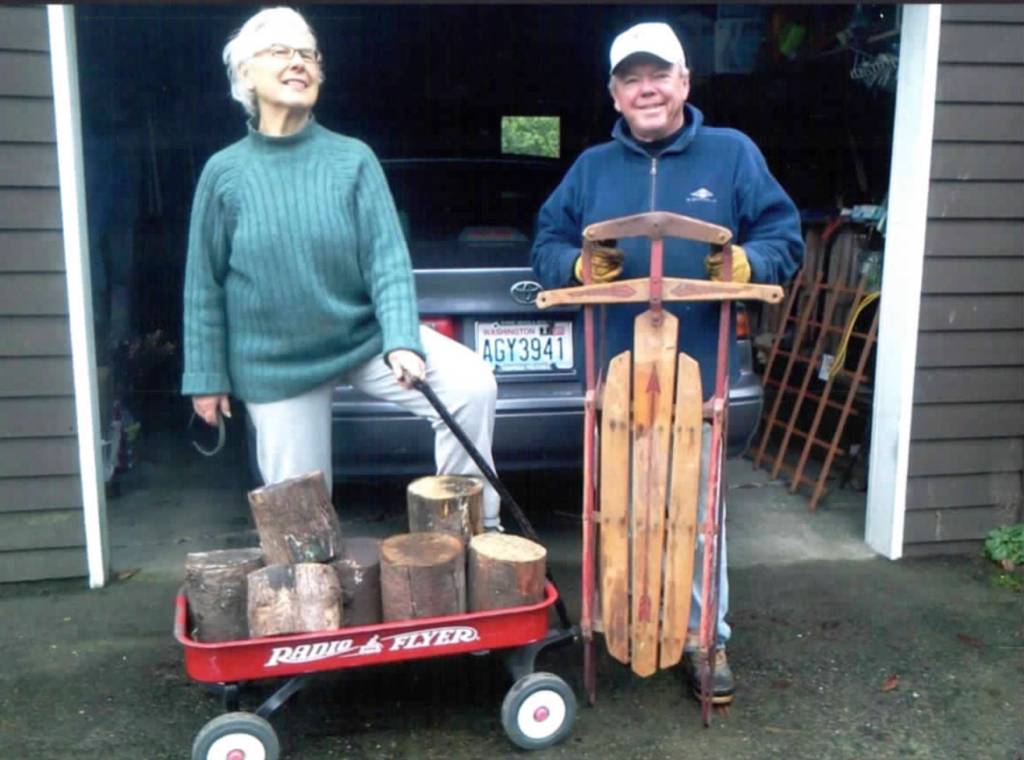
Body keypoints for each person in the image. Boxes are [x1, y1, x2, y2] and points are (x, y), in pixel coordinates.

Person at [531, 21, 804, 704]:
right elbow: (547, 243)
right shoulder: (592, 168)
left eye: (659, 75)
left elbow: (782, 236)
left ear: (684, 82)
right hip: (614, 380)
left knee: (694, 516)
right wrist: (575, 263)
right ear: (615, 94)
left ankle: (700, 639)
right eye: (631, 78)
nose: (646, 88)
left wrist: (748, 262)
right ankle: (619, 626)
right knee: (616, 511)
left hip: (698, 377)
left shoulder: (732, 155)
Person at [182, 7, 502, 530]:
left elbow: (387, 259)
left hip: (362, 340)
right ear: (246, 74)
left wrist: (401, 337)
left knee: (471, 385)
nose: (299, 63)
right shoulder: (224, 173)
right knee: (299, 518)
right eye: (281, 52)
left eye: (308, 54)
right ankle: (311, 600)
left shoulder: (353, 159)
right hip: (276, 365)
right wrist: (205, 376)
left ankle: (472, 531)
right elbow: (204, 283)